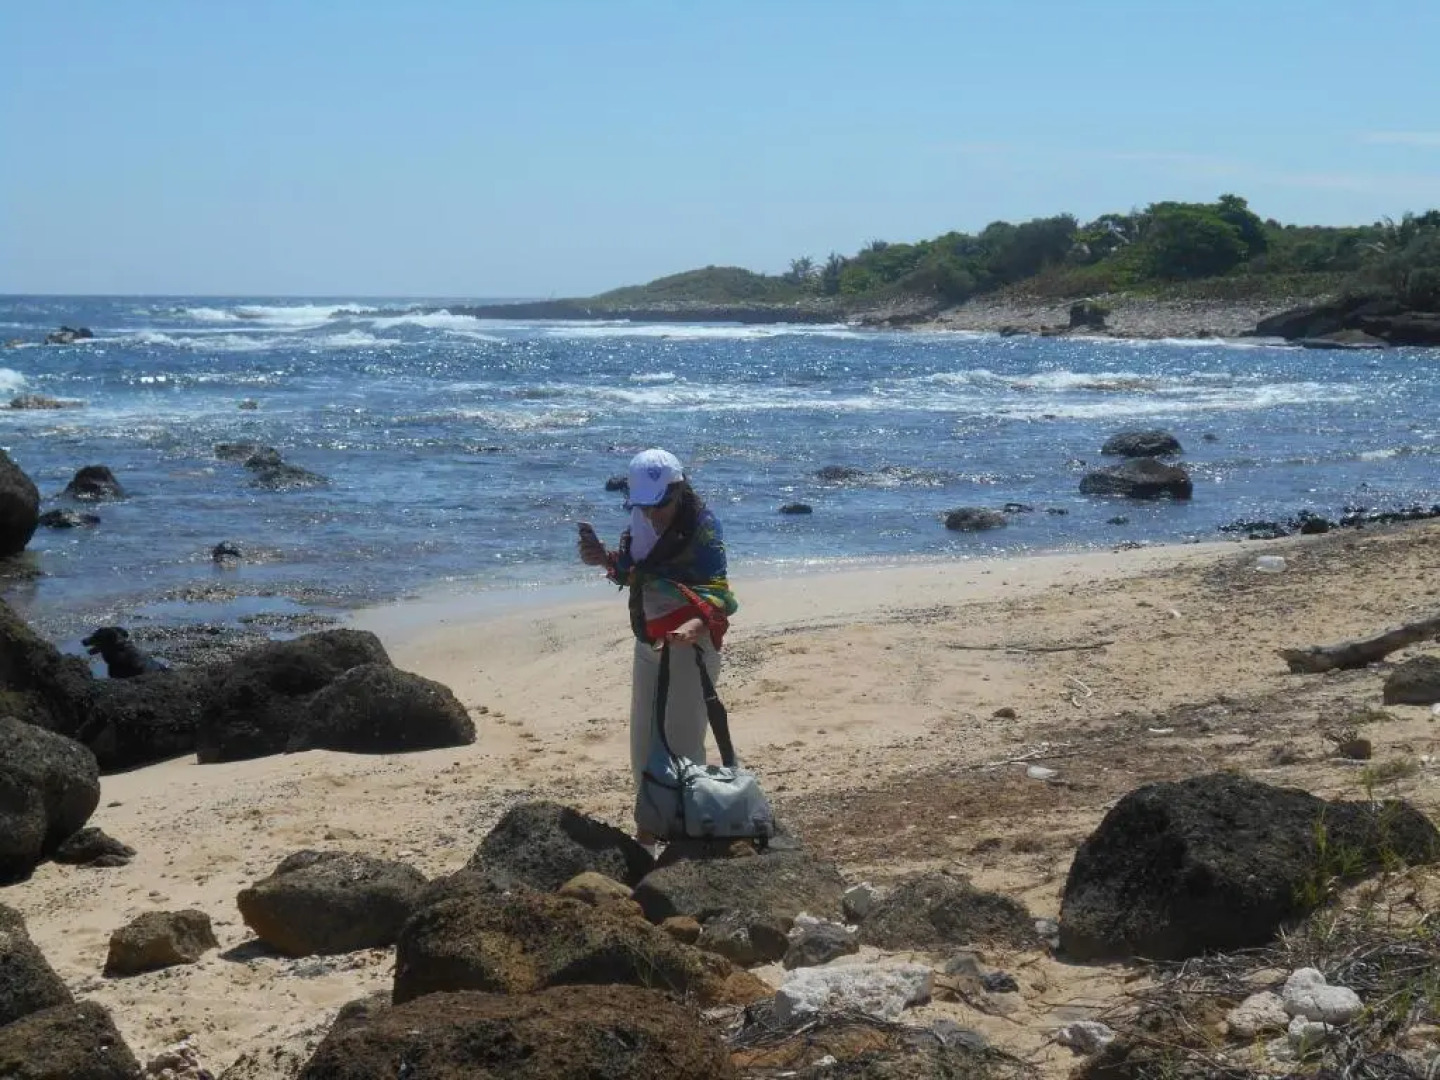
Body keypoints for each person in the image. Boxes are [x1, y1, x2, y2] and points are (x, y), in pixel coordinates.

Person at [577, 448, 738, 848]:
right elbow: (635, 573)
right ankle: (647, 842)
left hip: (689, 648)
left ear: (679, 490)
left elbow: (719, 593)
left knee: (681, 747)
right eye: (644, 506)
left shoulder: (703, 527)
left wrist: (694, 625)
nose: (652, 515)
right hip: (649, 642)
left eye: (659, 505)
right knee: (644, 749)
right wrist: (604, 560)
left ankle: (687, 843)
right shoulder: (641, 521)